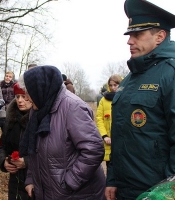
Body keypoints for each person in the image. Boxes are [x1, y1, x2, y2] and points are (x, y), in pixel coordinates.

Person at [105, 1, 175, 199]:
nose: (129, 41)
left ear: (160, 36)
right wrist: (112, 179)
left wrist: (167, 192)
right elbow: (120, 133)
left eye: (138, 35)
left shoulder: (170, 74)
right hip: (126, 189)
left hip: (157, 192)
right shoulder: (130, 79)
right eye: (130, 35)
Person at [18, 65, 106, 199]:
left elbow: (94, 149)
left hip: (79, 194)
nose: (26, 98)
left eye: (28, 92)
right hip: (51, 193)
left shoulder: (72, 107)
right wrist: (31, 178)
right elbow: (34, 149)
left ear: (40, 89)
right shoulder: (38, 110)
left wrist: (70, 182)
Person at [0, 83, 32, 200]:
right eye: (17, 97)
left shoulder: (39, 121)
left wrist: (26, 161)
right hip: (15, 182)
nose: (20, 101)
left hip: (34, 181)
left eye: (24, 96)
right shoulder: (11, 120)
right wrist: (3, 162)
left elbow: (48, 154)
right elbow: (2, 147)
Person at [96, 74, 122, 169]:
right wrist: (105, 136)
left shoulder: (124, 98)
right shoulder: (103, 100)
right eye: (110, 85)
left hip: (122, 141)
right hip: (108, 142)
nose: (113, 87)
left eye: (115, 85)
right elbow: (99, 119)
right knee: (110, 169)